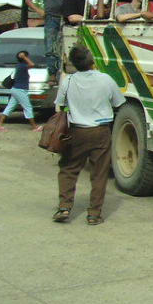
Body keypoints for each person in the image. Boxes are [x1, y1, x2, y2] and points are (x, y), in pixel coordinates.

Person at [53, 44, 125, 225]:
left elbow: (60, 104)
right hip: (101, 131)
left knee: (69, 169)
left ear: (74, 64)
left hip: (76, 131)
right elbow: (118, 103)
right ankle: (94, 214)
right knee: (99, 173)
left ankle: (64, 207)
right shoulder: (106, 79)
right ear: (92, 61)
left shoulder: (68, 81)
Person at [26, 0, 64, 79]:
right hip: (51, 17)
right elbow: (28, 0)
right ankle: (52, 74)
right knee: (50, 46)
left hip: (66, 15)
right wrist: (39, 10)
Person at [0, 50, 42, 132]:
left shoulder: (19, 66)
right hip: (20, 90)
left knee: (10, 107)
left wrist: (23, 57)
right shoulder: (22, 66)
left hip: (16, 89)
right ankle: (34, 126)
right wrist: (24, 57)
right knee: (28, 107)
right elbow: (32, 64)